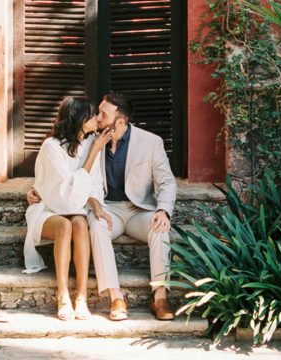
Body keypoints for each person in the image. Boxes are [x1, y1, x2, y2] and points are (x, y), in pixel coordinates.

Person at [27, 91, 177, 322]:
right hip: (109, 209)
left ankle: (160, 295)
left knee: (160, 227)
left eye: (102, 114)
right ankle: (116, 297)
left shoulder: (150, 142)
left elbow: (166, 182)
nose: (97, 118)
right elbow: (63, 170)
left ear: (120, 122)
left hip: (139, 210)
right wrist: (37, 190)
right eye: (96, 113)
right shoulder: (92, 141)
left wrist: (163, 210)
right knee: (96, 226)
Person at [23, 95, 113, 321]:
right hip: (48, 209)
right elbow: (64, 193)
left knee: (81, 224)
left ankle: (81, 297)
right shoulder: (51, 146)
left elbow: (93, 185)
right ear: (80, 119)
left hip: (76, 209)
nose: (97, 119)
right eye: (92, 115)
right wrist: (93, 153)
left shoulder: (92, 144)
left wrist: (97, 206)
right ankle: (63, 295)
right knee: (65, 225)